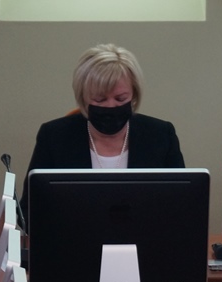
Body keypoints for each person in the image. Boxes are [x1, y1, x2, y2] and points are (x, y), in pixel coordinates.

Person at [21, 44, 185, 213]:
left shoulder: (161, 135)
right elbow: (29, 209)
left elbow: (183, 203)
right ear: (83, 98)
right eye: (100, 99)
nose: (111, 106)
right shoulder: (54, 137)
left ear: (134, 95)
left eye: (121, 99)